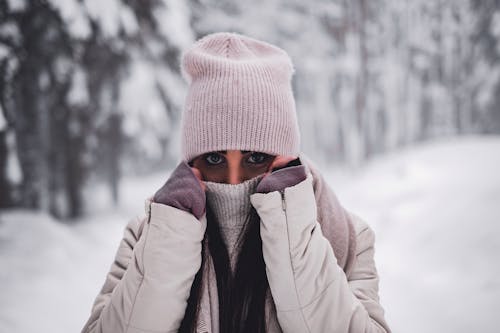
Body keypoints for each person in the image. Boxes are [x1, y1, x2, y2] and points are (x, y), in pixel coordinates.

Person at [81, 32, 391, 333]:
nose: (233, 182)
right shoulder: (147, 235)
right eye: (214, 159)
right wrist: (170, 244)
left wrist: (291, 233)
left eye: (255, 158)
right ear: (191, 164)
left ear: (286, 158)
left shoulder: (349, 238)